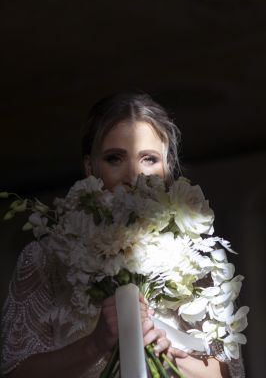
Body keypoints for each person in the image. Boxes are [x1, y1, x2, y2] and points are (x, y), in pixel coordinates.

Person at [0, 91, 245, 377]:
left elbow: (228, 373)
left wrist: (166, 354)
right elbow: (13, 371)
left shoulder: (201, 258)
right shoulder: (46, 258)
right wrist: (95, 345)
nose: (133, 177)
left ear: (168, 170)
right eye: (115, 158)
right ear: (90, 167)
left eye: (149, 159)